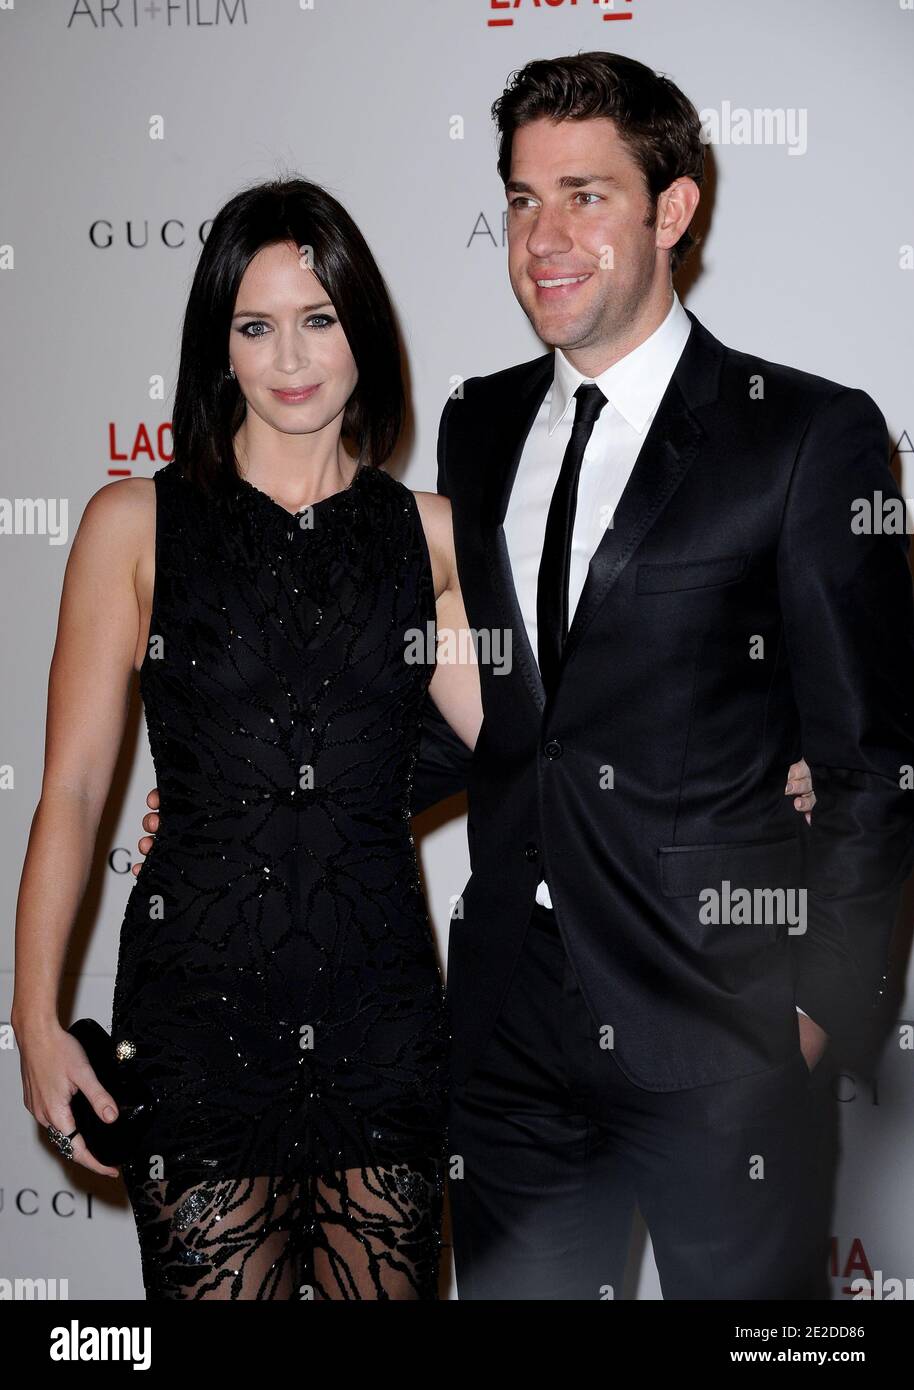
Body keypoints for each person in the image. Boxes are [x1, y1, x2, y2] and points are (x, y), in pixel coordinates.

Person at [410, 52, 914, 1298]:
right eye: (523, 200)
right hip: (512, 1038)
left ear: (672, 209)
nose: (543, 237)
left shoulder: (805, 433)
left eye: (584, 195)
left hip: (722, 1036)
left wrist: (813, 1017)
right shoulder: (476, 423)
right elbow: (505, 708)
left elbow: (871, 760)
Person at [12, 177, 482, 1300]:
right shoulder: (133, 523)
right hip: (199, 1016)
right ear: (218, 345)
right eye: (256, 325)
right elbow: (74, 789)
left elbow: (528, 750)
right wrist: (32, 1017)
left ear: (362, 329)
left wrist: (765, 761)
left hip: (381, 1018)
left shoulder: (431, 536)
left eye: (318, 319)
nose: (290, 356)